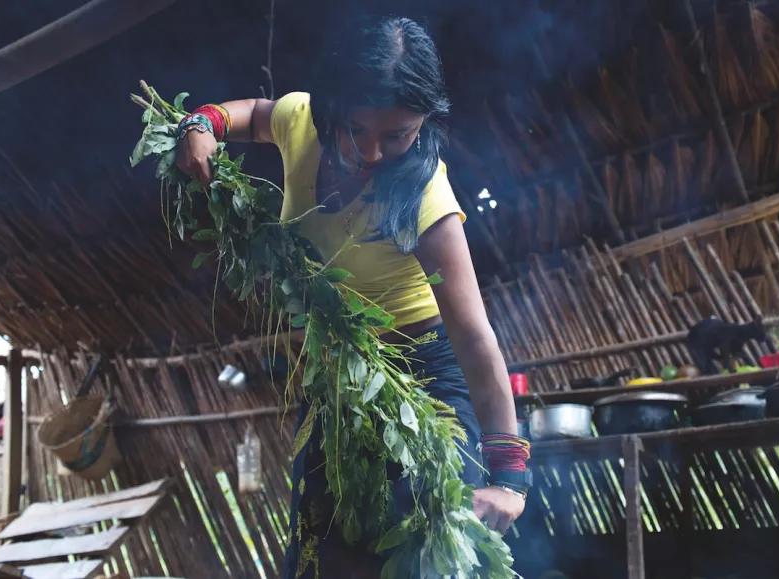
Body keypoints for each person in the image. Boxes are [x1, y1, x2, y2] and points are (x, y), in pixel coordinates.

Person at [175, 16, 530, 578]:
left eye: (396, 135)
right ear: (333, 107)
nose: (370, 152)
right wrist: (202, 122)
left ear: (423, 123)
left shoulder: (424, 195)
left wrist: (511, 478)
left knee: (426, 549)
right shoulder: (303, 122)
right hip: (337, 379)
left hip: (424, 382)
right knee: (321, 555)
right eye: (357, 128)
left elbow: (473, 336)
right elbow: (256, 113)